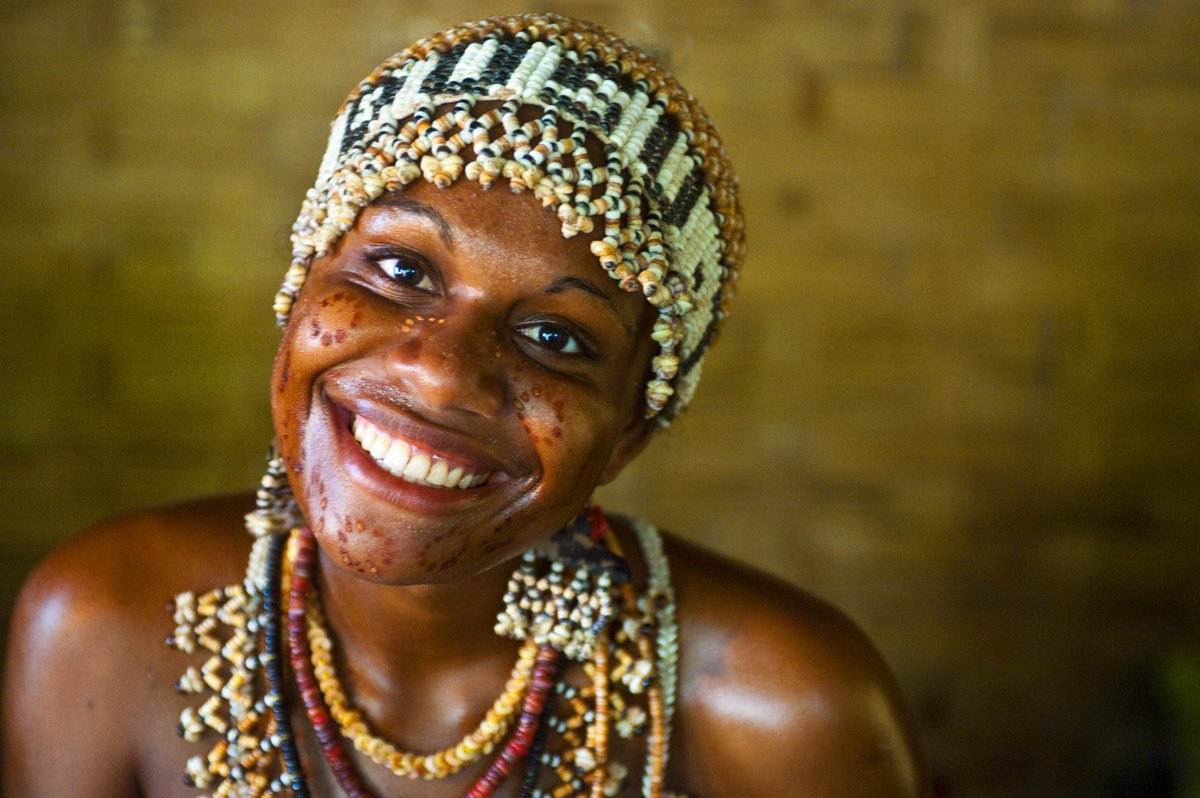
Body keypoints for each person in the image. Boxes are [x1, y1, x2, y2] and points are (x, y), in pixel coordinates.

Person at [3, 13, 926, 798]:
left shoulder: (780, 706)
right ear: (302, 288)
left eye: (557, 338)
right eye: (402, 271)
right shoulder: (102, 628)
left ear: (629, 435)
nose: (443, 373)